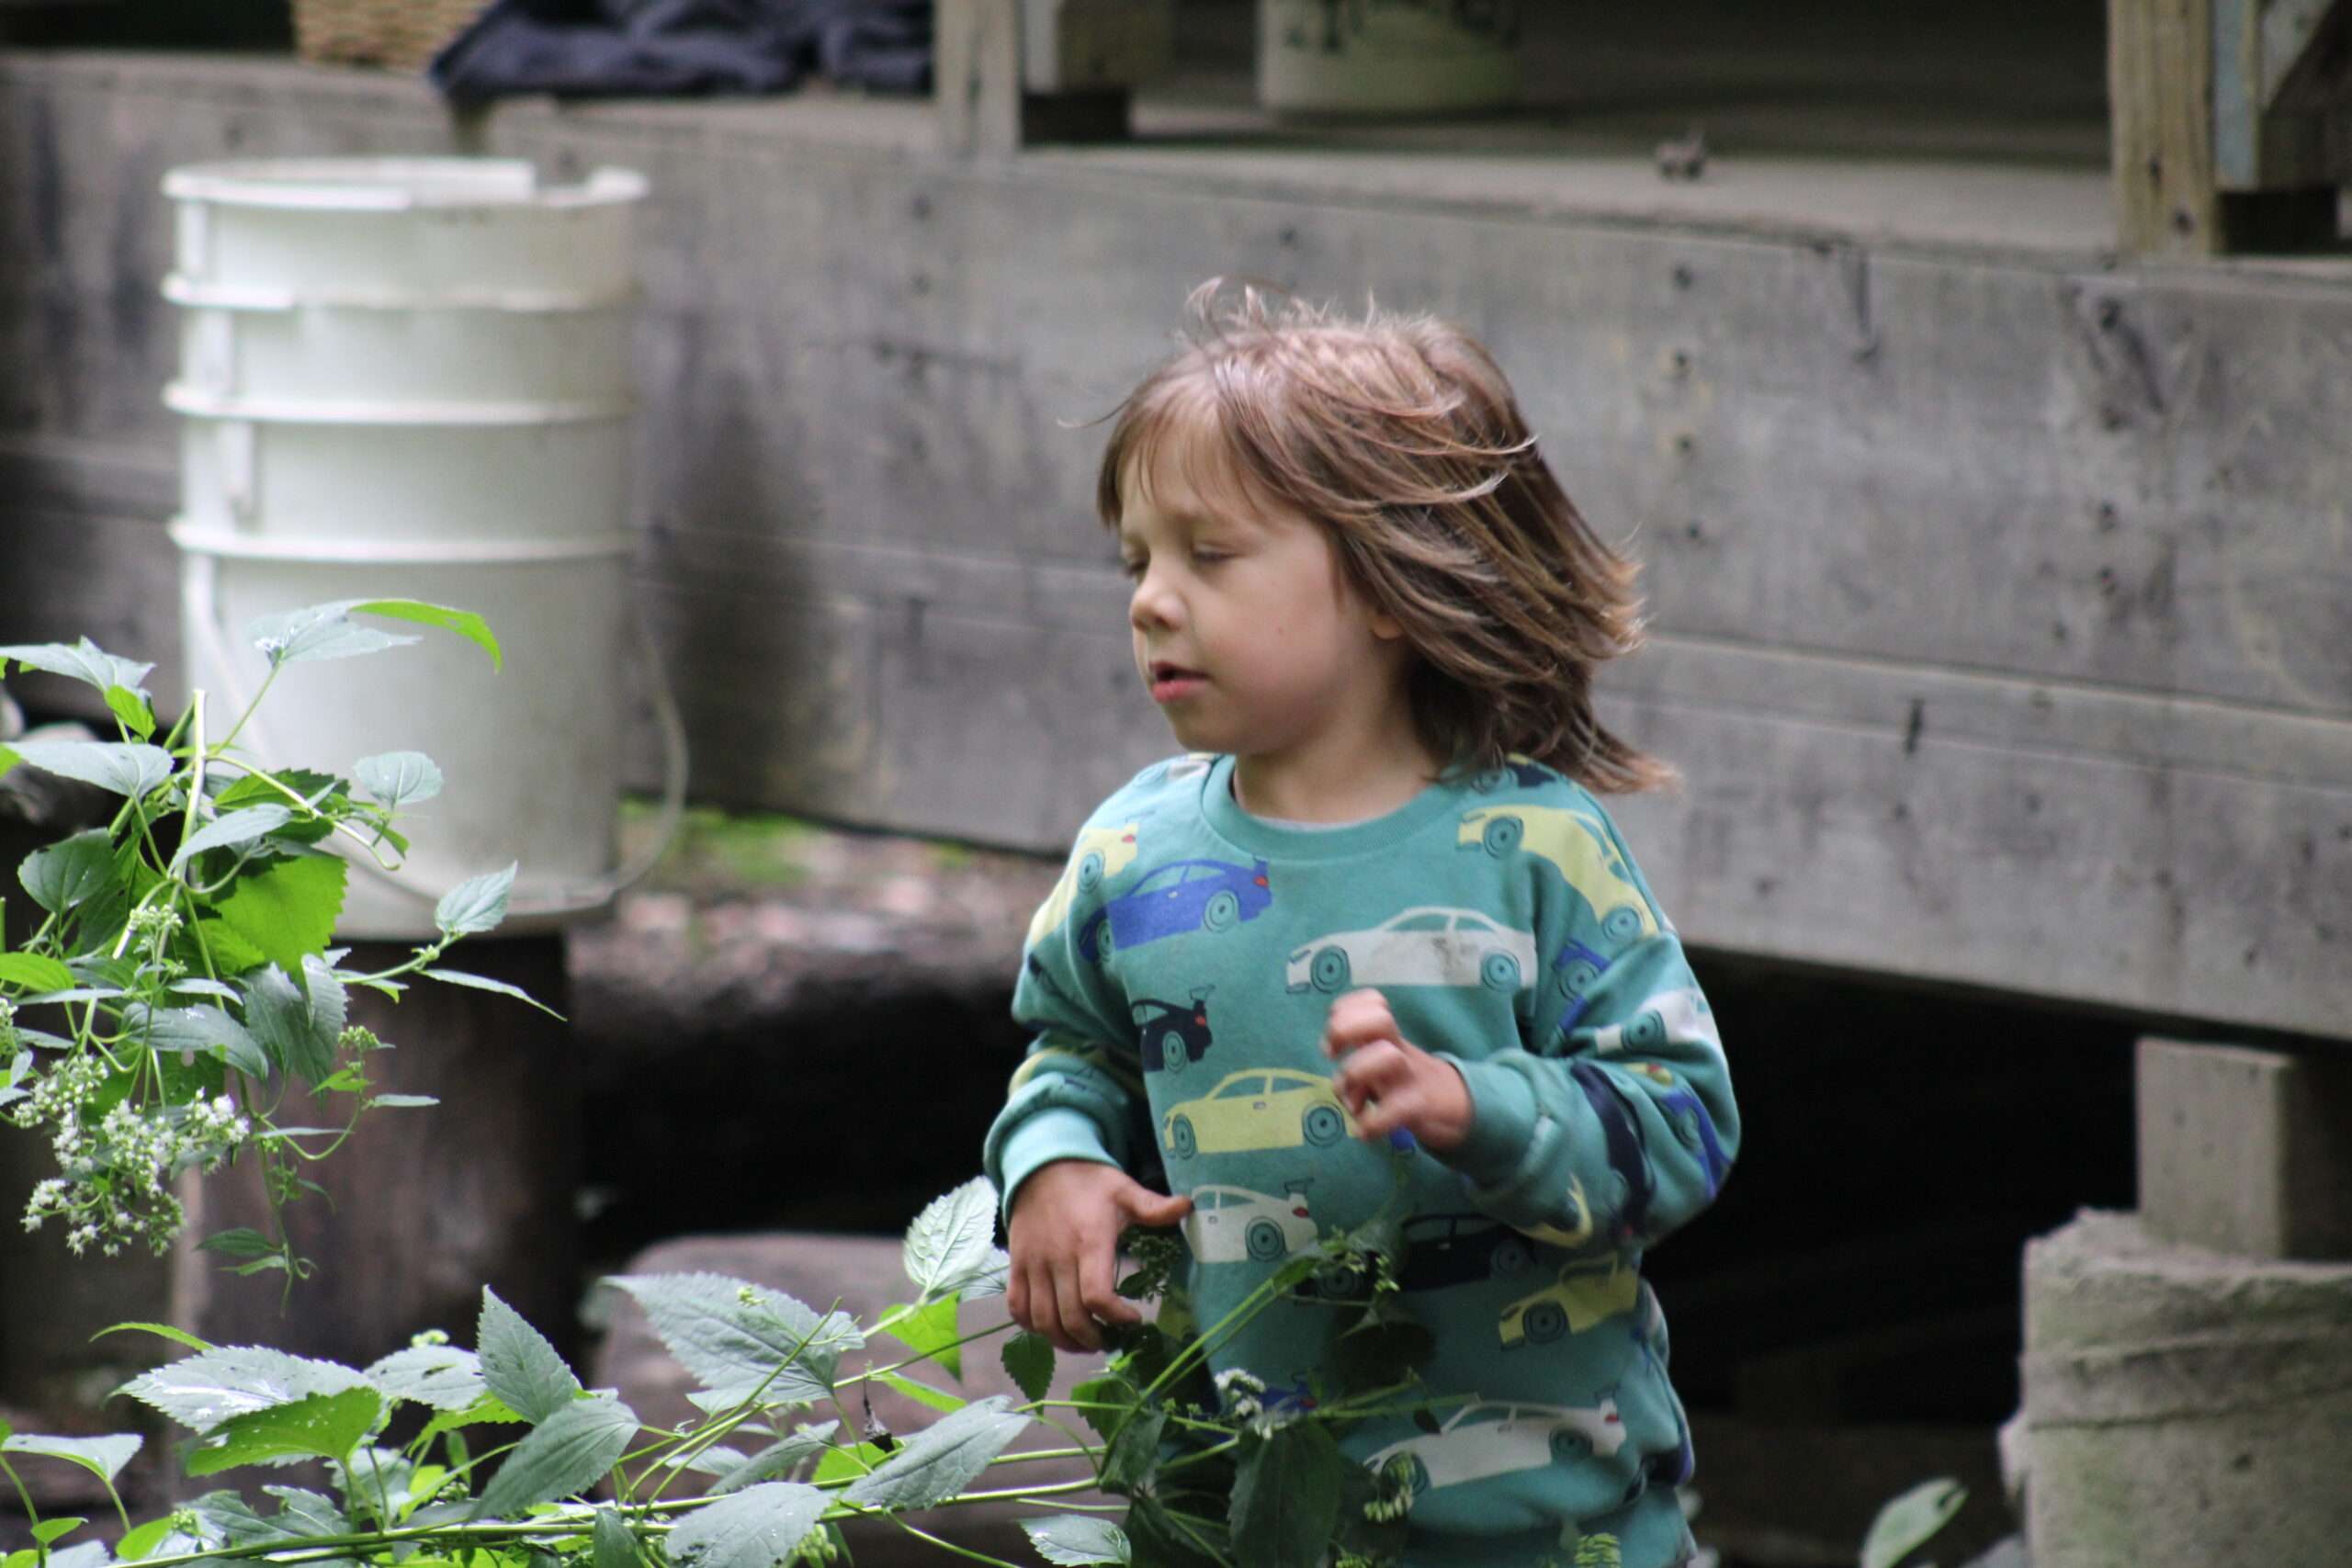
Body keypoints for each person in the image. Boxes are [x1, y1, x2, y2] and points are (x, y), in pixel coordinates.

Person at [981, 284, 1737, 1568]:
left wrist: (1479, 1107)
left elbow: (1682, 1123)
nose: (1151, 600)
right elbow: (1077, 1052)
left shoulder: (1533, 849)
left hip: (1545, 1536)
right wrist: (1052, 1162)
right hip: (1237, 1522)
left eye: (1209, 555)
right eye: (1137, 561)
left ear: (1389, 586)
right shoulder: (1133, 854)